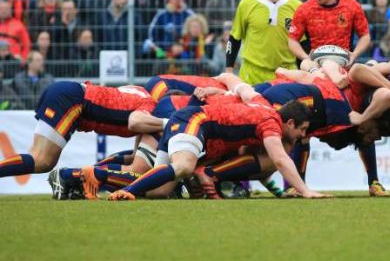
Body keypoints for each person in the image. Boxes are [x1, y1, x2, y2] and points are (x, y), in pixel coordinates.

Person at [108, 88, 330, 200]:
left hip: (189, 120)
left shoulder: (262, 105)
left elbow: (241, 88)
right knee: (184, 166)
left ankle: (86, 176)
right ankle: (127, 191)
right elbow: (280, 159)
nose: (303, 135)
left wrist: (224, 87)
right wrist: (305, 190)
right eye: (301, 129)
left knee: (159, 191)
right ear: (290, 122)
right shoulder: (271, 122)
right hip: (194, 121)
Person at [0, 82, 166, 194]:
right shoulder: (150, 107)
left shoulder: (141, 91)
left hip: (68, 93)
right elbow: (134, 122)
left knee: (38, 158)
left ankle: (83, 176)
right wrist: (166, 123)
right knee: (41, 160)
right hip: (72, 100)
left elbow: (135, 157)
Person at [288, 0, 371, 87]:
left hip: (344, 67)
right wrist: (306, 58)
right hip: (317, 70)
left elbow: (365, 36)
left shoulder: (351, 6)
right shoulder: (304, 9)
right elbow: (292, 40)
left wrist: (354, 54)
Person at [225, 0, 302, 85]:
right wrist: (228, 71)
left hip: (286, 76)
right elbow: (234, 38)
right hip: (252, 76)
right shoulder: (246, 4)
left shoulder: (297, 6)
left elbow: (302, 44)